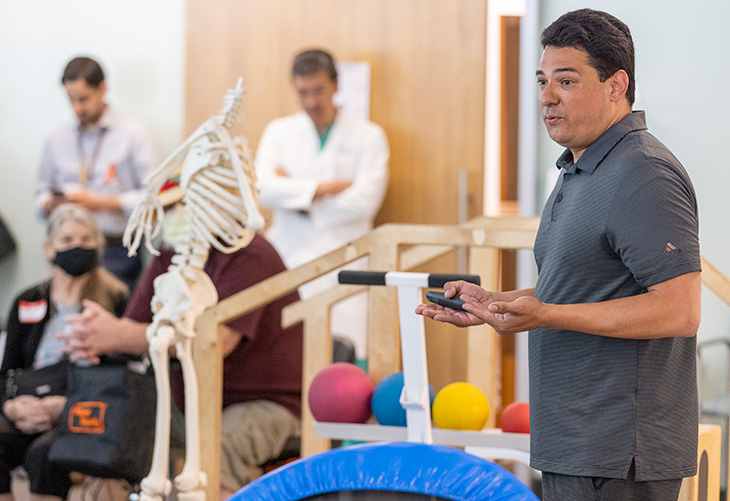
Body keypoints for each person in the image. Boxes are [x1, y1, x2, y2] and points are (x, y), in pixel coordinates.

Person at [417, 9, 700, 501]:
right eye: (542, 80)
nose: (547, 96)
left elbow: (680, 309)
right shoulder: (578, 169)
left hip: (619, 455)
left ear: (617, 85)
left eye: (566, 81)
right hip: (572, 444)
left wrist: (545, 313)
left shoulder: (645, 173)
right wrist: (495, 304)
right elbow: (581, 288)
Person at [61, 198, 303, 500]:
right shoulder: (171, 249)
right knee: (113, 427)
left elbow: (217, 341)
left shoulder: (249, 253)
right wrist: (96, 335)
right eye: (169, 205)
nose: (173, 212)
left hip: (267, 402)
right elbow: (133, 325)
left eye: (182, 203)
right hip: (188, 399)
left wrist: (117, 335)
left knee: (216, 449)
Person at [255, 49, 389, 358]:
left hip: (345, 256)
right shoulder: (279, 132)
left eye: (319, 91)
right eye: (303, 92)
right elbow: (261, 189)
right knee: (289, 352)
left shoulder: (369, 136)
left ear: (336, 85)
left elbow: (365, 201)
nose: (312, 102)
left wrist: (294, 192)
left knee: (346, 357)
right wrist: (324, 189)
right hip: (289, 253)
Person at [0, 203, 128, 501]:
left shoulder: (116, 299)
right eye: (67, 240)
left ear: (99, 247)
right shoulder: (28, 300)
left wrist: (65, 406)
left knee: (44, 454)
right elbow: (6, 372)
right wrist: (13, 407)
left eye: (86, 239)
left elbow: (122, 378)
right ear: (48, 247)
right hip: (29, 405)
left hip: (86, 411)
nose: (77, 247)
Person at [35, 56, 157, 291]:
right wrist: (52, 203)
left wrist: (99, 203)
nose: (77, 108)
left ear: (102, 89)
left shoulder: (134, 134)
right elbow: (39, 195)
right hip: (66, 248)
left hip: (116, 249)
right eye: (71, 100)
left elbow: (154, 198)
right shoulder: (57, 137)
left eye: (83, 99)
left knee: (111, 319)